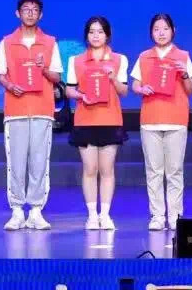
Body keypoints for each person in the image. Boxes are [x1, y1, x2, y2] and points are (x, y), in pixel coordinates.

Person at [0, 0, 63, 231]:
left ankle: (35, 210)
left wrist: (43, 68)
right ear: (18, 13)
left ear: (40, 15)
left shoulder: (50, 42)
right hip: (16, 109)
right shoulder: (7, 42)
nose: (30, 13)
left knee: (39, 161)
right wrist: (9, 85)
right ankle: (16, 210)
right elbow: (0, 74)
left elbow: (56, 77)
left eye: (34, 10)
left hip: (42, 109)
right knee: (16, 161)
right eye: (26, 9)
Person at [131, 13, 192, 231]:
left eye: (165, 29)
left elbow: (190, 90)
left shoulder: (183, 56)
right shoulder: (144, 57)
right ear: (151, 32)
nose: (161, 33)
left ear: (173, 31)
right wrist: (142, 89)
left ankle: (176, 215)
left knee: (175, 171)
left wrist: (184, 74)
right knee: (154, 171)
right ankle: (157, 215)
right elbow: (135, 85)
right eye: (156, 29)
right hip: (150, 120)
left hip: (176, 119)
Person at [64, 16, 129, 230]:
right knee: (90, 169)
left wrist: (113, 78)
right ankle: (92, 215)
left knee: (106, 169)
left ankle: (105, 215)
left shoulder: (119, 59)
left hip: (110, 119)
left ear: (107, 35)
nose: (96, 36)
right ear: (86, 36)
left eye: (100, 32)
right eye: (92, 32)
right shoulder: (76, 60)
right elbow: (69, 89)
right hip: (85, 119)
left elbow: (124, 91)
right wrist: (81, 95)